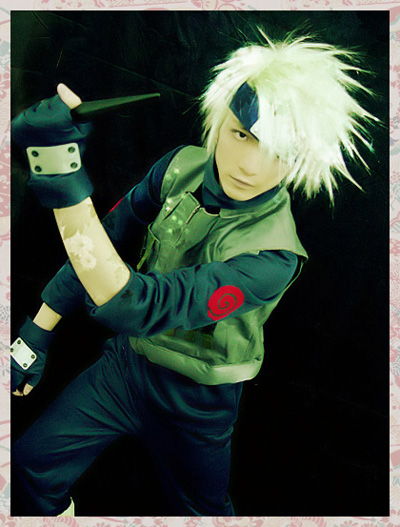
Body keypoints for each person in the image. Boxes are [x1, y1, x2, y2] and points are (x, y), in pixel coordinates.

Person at [10, 32, 377, 516]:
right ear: (221, 120)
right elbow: (108, 238)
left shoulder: (274, 258)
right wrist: (36, 331)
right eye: (241, 134)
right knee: (30, 466)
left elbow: (135, 304)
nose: (250, 165)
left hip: (197, 402)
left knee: (203, 511)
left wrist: (59, 171)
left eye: (279, 150)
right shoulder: (180, 166)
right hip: (126, 368)